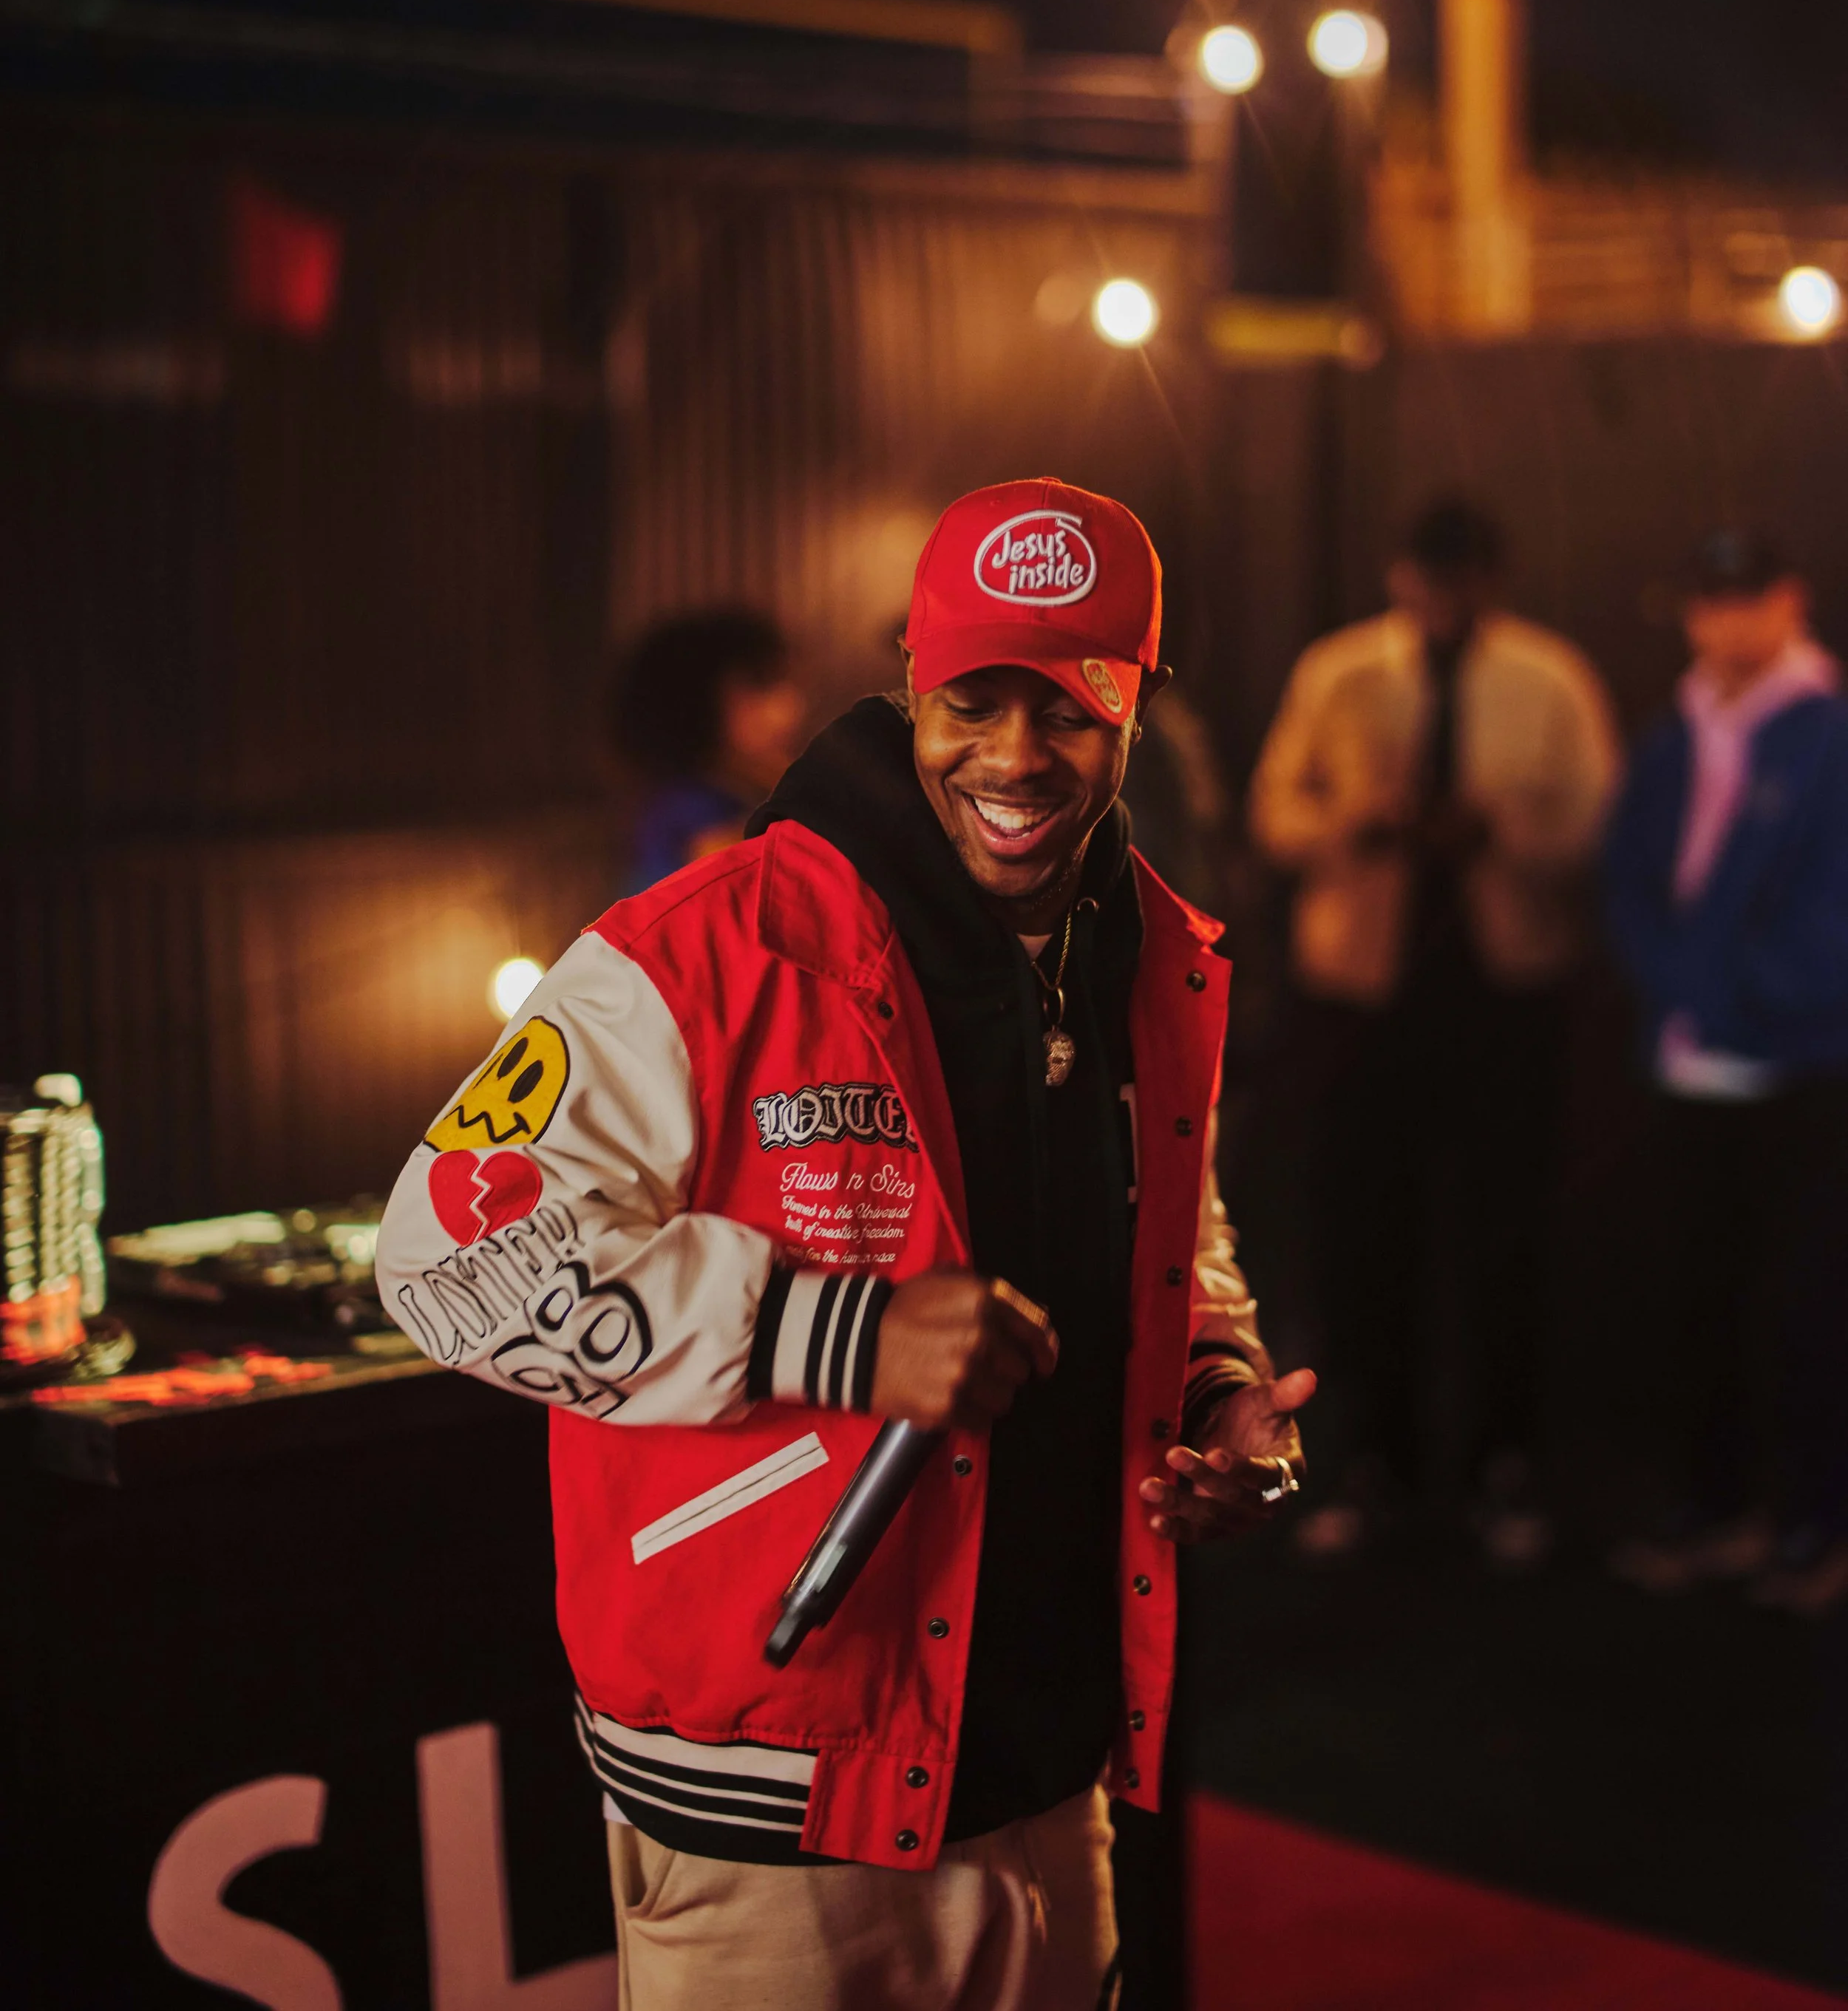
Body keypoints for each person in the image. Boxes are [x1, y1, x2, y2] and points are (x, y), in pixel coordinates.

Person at [377, 475, 1311, 2011]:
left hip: (1047, 1764)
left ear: (1135, 708)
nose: (1014, 755)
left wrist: (1217, 1384)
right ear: (905, 681)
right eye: (972, 700)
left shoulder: (1149, 952)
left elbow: (1176, 1221)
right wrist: (839, 1333)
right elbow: (437, 1256)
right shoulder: (693, 943)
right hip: (773, 1801)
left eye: (1068, 708)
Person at [1244, 497, 1616, 1559]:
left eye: (1459, 581)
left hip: (1503, 986)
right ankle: (1379, 1459)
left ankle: (1507, 1460)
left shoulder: (1548, 677)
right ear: (1399, 576)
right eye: (1426, 578)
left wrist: (1502, 829)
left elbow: (1600, 821)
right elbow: (1277, 811)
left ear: (1491, 582)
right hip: (1365, 987)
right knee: (1365, 1232)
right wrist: (1361, 824)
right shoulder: (1341, 671)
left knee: (1506, 1230)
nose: (1441, 599)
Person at [1605, 531, 1848, 1614]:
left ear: (1790, 602)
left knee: (1806, 1305)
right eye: (1708, 600)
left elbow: (1829, 919)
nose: (1725, 620)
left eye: (1745, 598)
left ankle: (1809, 1526)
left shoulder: (1828, 730)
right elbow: (1630, 878)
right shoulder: (1675, 730)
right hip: (1688, 1060)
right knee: (1690, 1298)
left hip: (1799, 1065)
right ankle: (1717, 1511)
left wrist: (1732, 993)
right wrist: (1678, 987)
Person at [610, 608, 808, 889]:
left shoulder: (734, 794)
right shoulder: (688, 809)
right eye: (760, 688)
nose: (789, 709)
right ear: (694, 705)